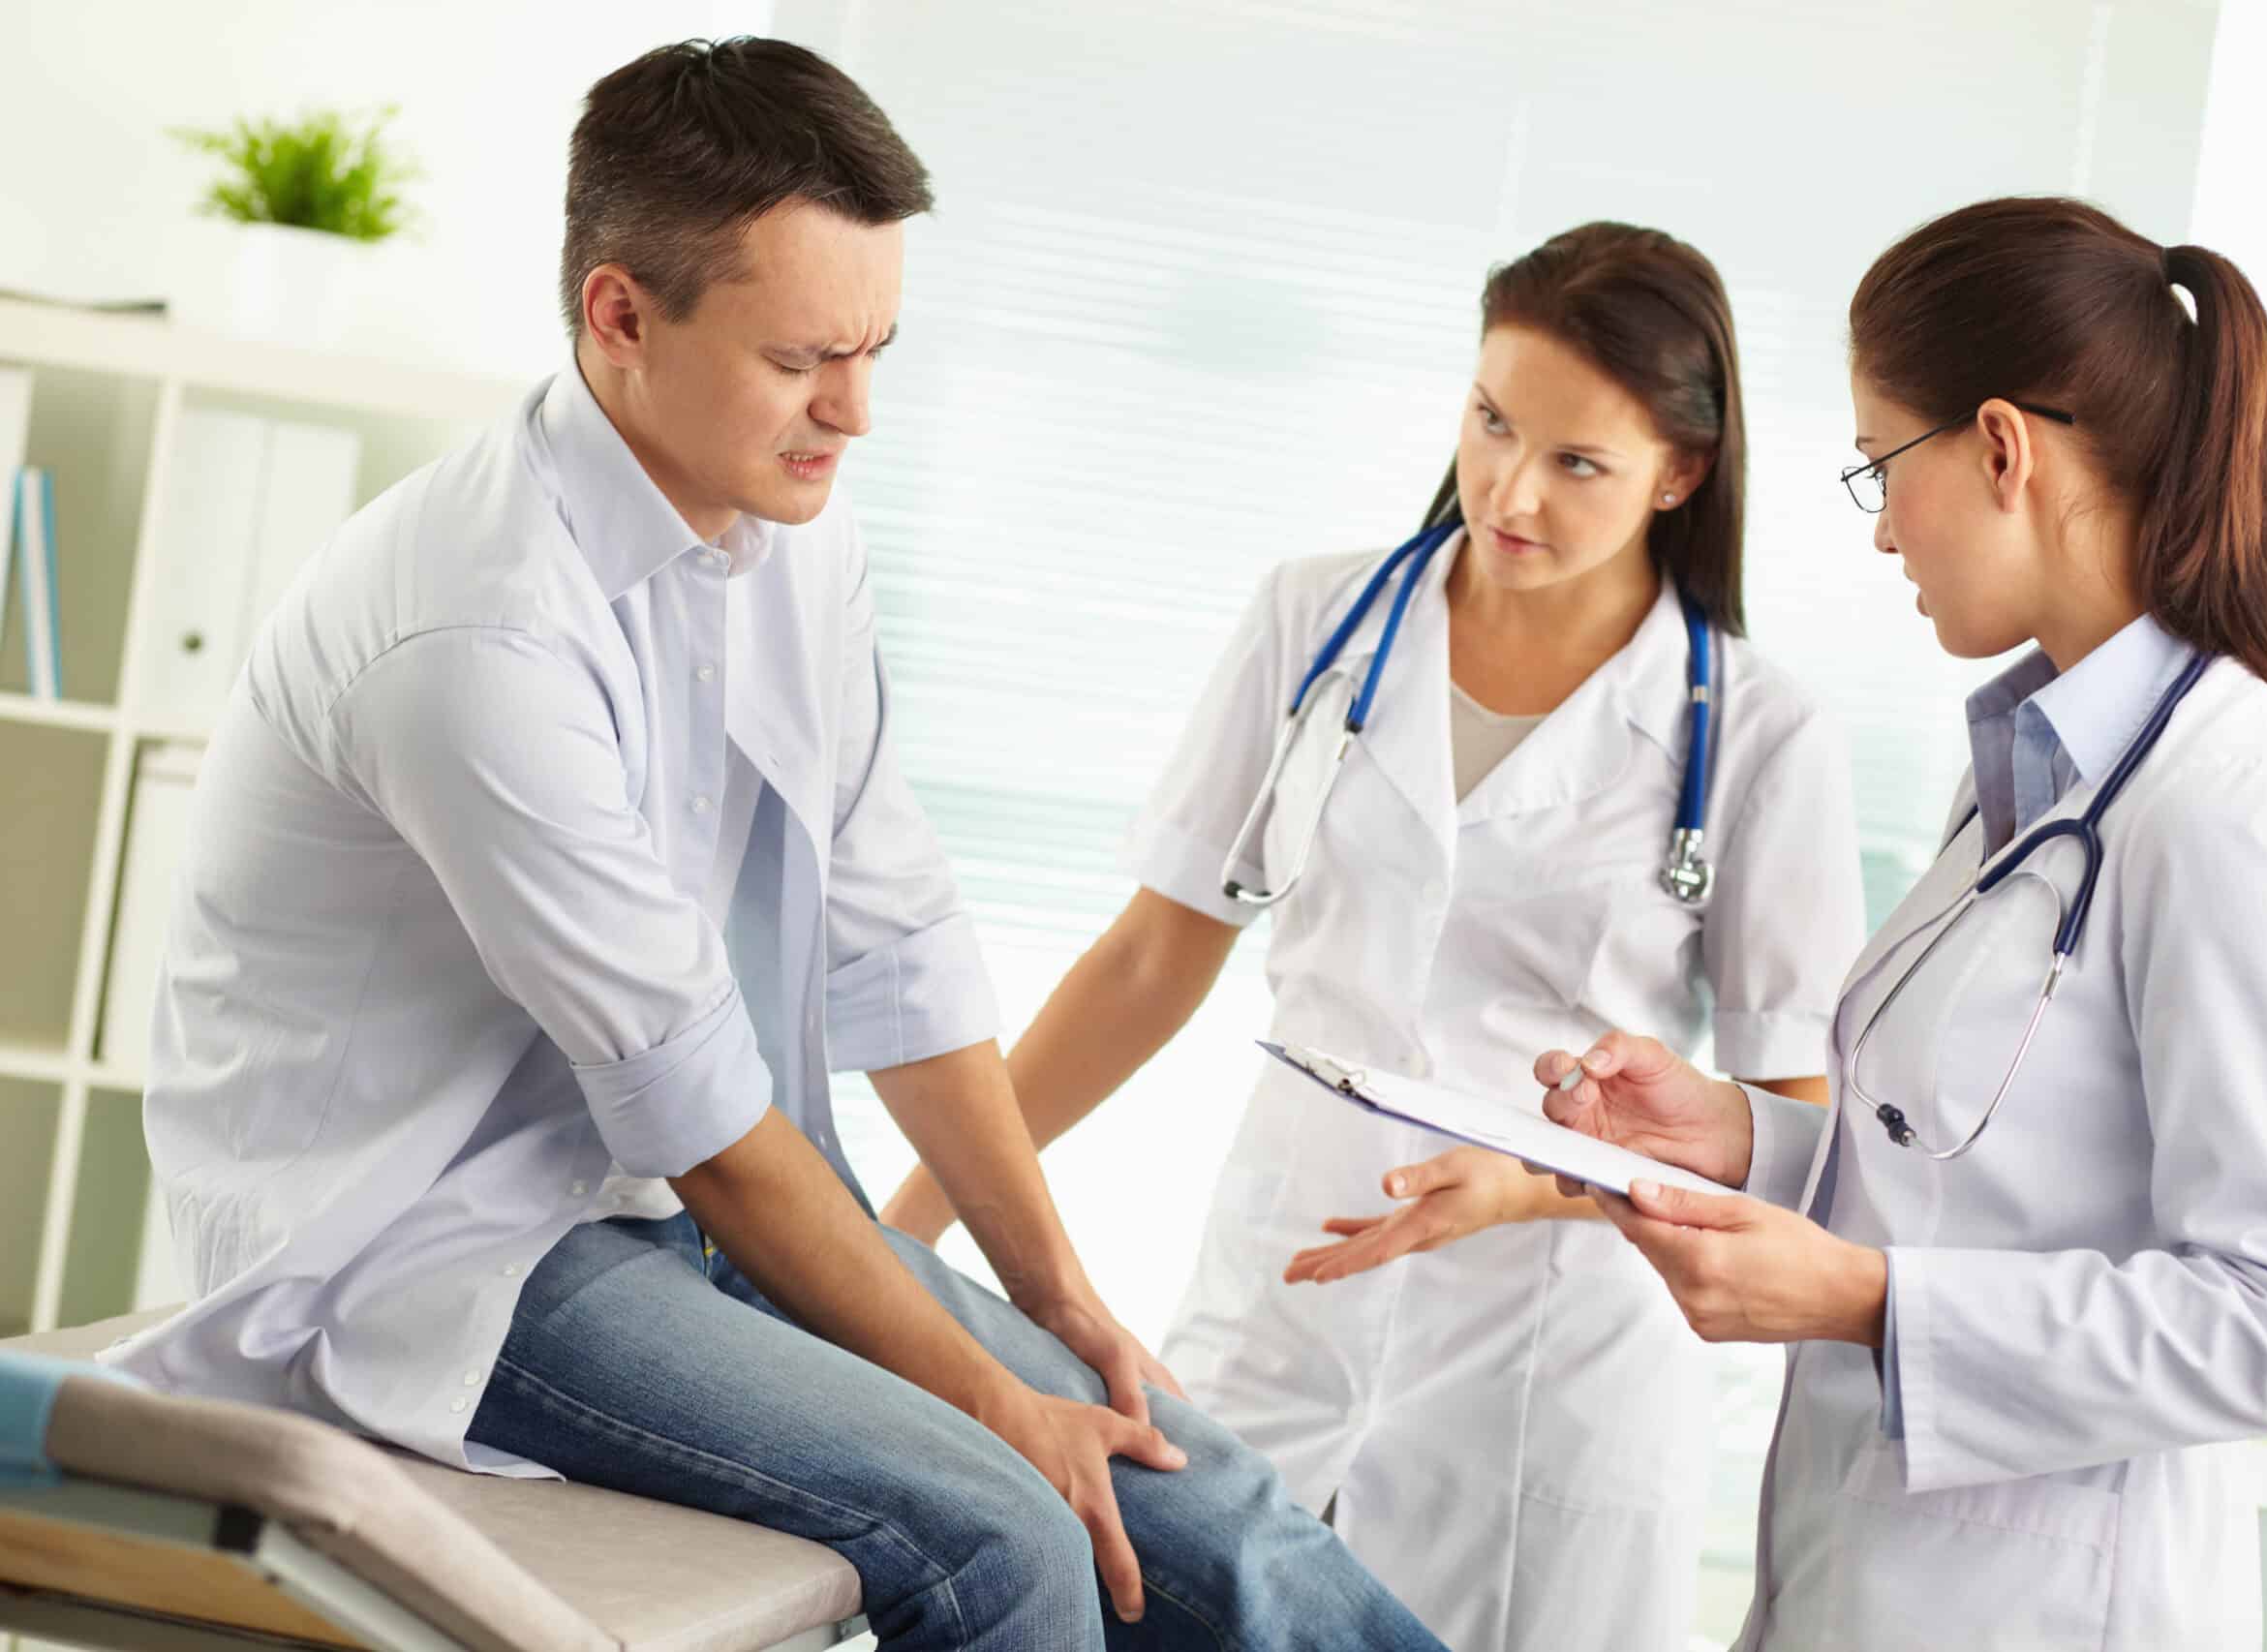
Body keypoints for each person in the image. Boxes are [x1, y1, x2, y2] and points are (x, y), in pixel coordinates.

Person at [102, 37, 1447, 1652]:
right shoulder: (477, 634)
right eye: (808, 355)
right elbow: (713, 1130)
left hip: (676, 1207)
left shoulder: (791, 523)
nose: (857, 413)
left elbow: (897, 940)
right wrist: (989, 1403)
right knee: (1014, 1531)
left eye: (877, 348)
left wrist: (1059, 1298)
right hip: (442, 1257)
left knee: (1201, 1494)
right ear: (620, 315)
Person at [887, 221, 1867, 1651]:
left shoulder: (1766, 735)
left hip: (1553, 1374)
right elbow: (1151, 963)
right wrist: (896, 1236)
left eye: (1577, 462)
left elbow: (1788, 1126)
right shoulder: (1318, 619)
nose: (1509, 489)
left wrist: (1535, 1184)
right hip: (1283, 1303)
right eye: (1490, 421)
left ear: (1683, 471)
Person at [1539, 196, 2267, 1651]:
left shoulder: (2236, 800)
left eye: (1885, 462)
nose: (1881, 525)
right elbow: (1981, 1174)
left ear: (2003, 445)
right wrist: (1745, 1137)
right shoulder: (2034, 763)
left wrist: (1871, 1302)